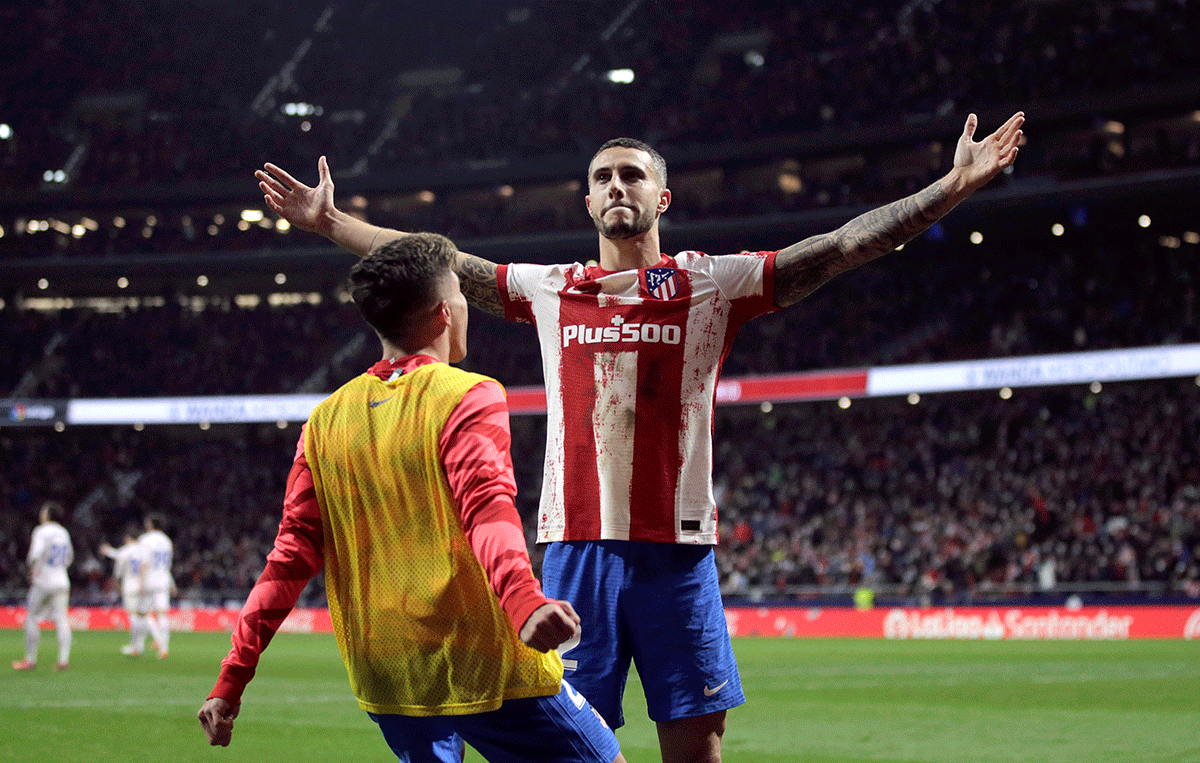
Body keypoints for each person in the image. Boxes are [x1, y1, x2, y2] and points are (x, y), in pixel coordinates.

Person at [256, 111, 1024, 763]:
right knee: (566, 746)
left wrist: (949, 189)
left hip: (680, 553)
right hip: (575, 551)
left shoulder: (712, 283)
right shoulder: (552, 289)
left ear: (663, 195)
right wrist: (330, 222)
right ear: (588, 202)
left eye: (631, 174)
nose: (617, 186)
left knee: (698, 744)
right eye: (603, 178)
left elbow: (843, 245)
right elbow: (440, 263)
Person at [197, 233, 623, 763]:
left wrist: (229, 681)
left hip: (388, 670)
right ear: (445, 312)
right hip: (479, 658)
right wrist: (524, 602)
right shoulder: (467, 393)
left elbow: (289, 559)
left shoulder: (325, 419)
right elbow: (486, 508)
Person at [12, 501, 74, 671]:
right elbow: (69, 557)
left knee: (32, 617)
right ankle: (63, 660)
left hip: (44, 580)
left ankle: (30, 660)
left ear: (47, 515)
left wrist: (33, 570)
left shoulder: (41, 531)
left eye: (43, 512)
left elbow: (35, 554)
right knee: (62, 619)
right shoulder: (64, 532)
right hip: (61, 579)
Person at [100, 526, 150, 656]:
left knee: (133, 616)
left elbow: (118, 559)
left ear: (127, 538)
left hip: (130, 585)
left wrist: (116, 580)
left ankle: (135, 647)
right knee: (142, 616)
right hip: (143, 585)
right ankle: (140, 645)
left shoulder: (126, 550)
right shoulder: (143, 550)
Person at [137, 513, 175, 659]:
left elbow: (144, 562)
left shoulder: (145, 539)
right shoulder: (167, 540)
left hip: (149, 580)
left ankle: (155, 640)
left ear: (149, 524)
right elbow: (168, 565)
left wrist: (140, 582)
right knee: (162, 614)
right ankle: (164, 648)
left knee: (143, 613)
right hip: (163, 580)